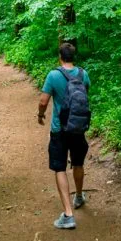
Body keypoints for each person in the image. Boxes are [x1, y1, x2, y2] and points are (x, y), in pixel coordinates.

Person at [37, 41, 91, 230]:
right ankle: (78, 196)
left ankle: (68, 215)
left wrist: (40, 115)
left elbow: (44, 100)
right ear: (73, 57)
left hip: (59, 129)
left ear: (60, 57)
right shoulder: (84, 74)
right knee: (78, 163)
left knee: (60, 167)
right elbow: (85, 96)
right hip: (78, 127)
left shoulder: (54, 75)